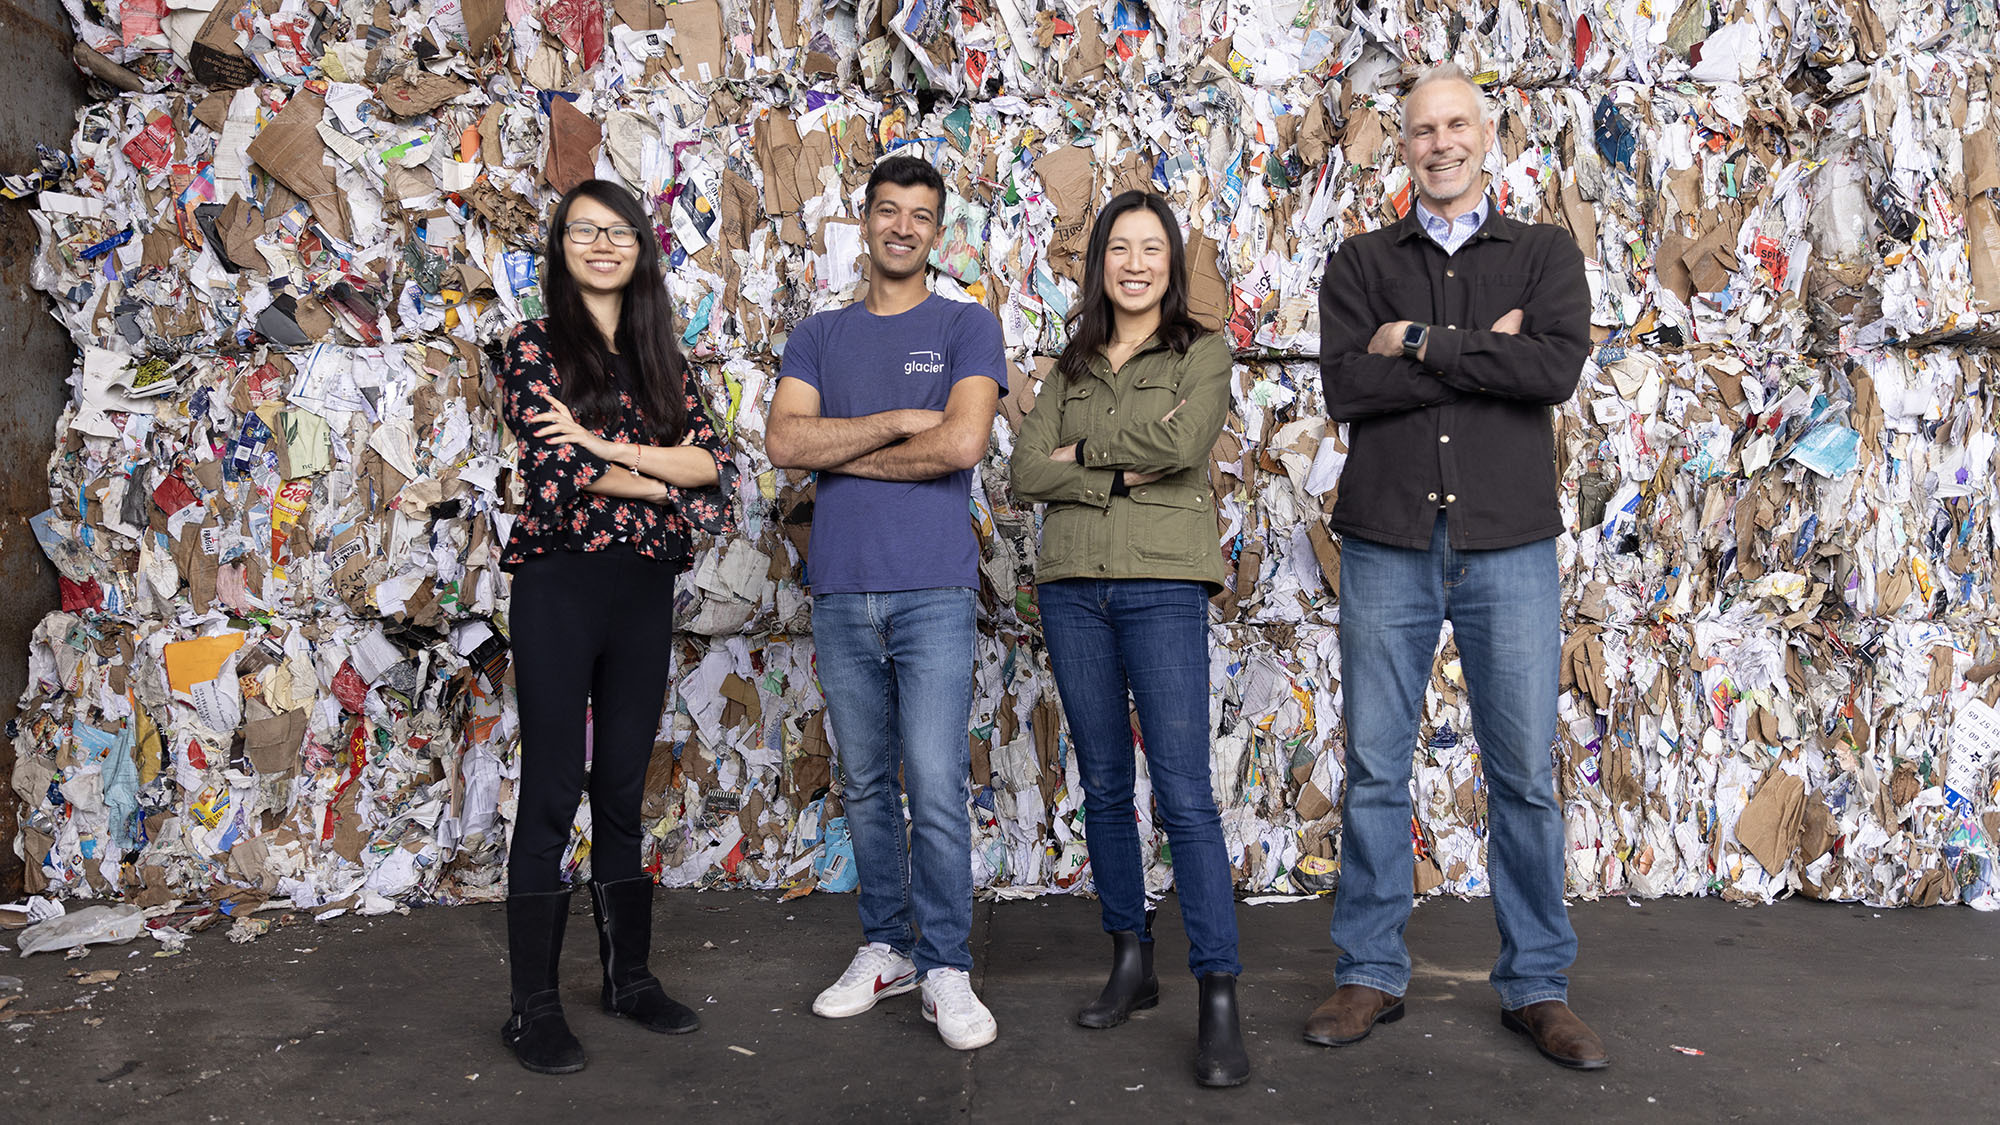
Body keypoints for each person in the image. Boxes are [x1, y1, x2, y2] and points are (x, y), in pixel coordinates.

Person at [1309, 63, 1609, 1070]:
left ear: (1487, 136)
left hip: (1507, 545)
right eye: (1419, 130)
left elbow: (1550, 369)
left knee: (1523, 774)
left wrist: (1422, 342)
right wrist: (1481, 350)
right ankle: (1366, 971)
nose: (1437, 143)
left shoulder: (1541, 255)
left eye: (1454, 125)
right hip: (1387, 540)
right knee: (1372, 770)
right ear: (1400, 145)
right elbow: (1346, 387)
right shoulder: (1357, 263)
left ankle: (1534, 986)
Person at [764, 155, 1007, 1051]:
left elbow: (963, 444)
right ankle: (886, 945)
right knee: (865, 781)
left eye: (921, 214)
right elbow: (785, 440)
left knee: (936, 784)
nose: (903, 226)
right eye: (888, 210)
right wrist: (904, 420)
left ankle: (946, 962)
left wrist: (845, 451)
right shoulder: (817, 335)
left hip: (934, 591)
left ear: (937, 231)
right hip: (840, 593)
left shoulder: (966, 324)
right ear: (863, 221)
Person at [495, 178, 737, 1074]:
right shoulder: (529, 348)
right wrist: (658, 476)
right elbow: (552, 479)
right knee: (555, 789)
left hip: (642, 589)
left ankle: (627, 978)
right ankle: (532, 1007)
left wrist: (604, 449)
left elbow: (717, 476)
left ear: (642, 245)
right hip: (559, 584)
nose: (601, 244)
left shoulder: (662, 358)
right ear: (560, 248)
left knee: (624, 787)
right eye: (582, 231)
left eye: (618, 230)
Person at [1009, 191, 1249, 1087]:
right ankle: (1130, 957)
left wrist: (1083, 462)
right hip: (1072, 589)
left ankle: (1218, 992)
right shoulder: (1068, 366)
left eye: (1153, 249)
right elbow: (1026, 467)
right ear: (1100, 260)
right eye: (1121, 248)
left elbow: (1185, 441)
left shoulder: (1203, 351)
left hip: (1160, 585)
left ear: (1171, 263)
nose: (1136, 263)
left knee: (1185, 794)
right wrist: (1116, 466)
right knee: (1105, 783)